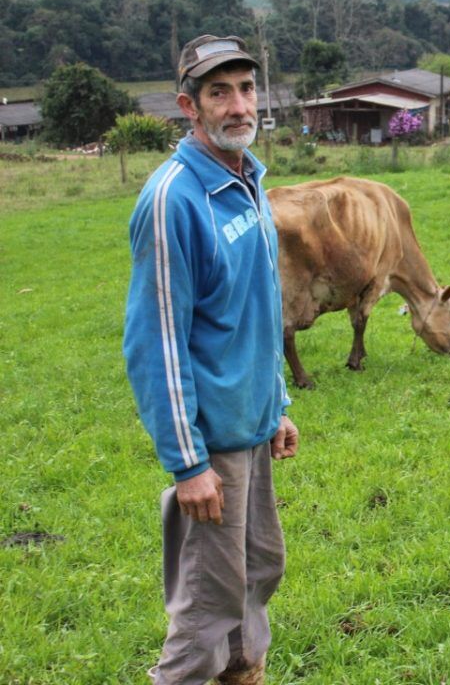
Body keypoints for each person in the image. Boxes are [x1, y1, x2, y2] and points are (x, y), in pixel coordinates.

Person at [124, 34, 298, 685]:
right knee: (206, 608)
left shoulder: (246, 180)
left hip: (249, 428)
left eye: (246, 88)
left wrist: (275, 403)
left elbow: (258, 306)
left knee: (259, 571)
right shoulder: (176, 199)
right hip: (211, 446)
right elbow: (156, 340)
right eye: (219, 92)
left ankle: (243, 674)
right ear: (187, 106)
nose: (238, 105)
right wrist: (188, 462)